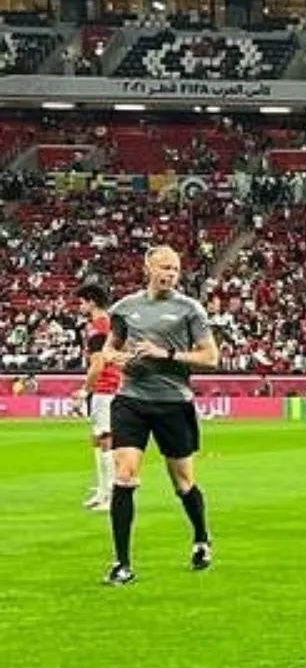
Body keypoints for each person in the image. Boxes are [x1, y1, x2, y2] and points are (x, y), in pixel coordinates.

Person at [100, 246, 221, 586]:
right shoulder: (125, 308)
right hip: (131, 400)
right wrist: (116, 358)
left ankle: (201, 538)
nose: (170, 274)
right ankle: (122, 563)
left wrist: (165, 354)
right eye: (165, 267)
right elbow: (109, 347)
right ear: (148, 267)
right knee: (124, 475)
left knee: (183, 482)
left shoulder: (189, 309)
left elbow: (210, 358)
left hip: (173, 402)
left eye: (176, 269)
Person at [74, 281, 122, 511]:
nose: (79, 306)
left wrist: (85, 390)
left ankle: (112, 495)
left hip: (106, 388)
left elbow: (97, 364)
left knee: (105, 438)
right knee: (98, 437)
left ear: (92, 302)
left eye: (82, 302)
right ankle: (103, 490)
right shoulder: (109, 323)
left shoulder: (98, 327)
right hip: (107, 387)